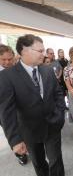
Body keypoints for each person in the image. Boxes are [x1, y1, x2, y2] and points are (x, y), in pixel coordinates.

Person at [0, 34, 66, 176]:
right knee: (39, 162)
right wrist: (15, 140)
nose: (44, 54)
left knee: (56, 161)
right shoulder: (7, 76)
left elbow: (58, 94)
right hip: (29, 130)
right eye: (40, 51)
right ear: (24, 50)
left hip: (52, 125)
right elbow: (7, 111)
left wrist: (60, 115)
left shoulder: (47, 70)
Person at [0, 44, 28, 165]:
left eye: (10, 59)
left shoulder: (17, 70)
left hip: (21, 109)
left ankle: (26, 146)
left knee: (24, 130)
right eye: (3, 60)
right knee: (12, 131)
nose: (7, 62)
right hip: (4, 112)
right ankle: (19, 153)